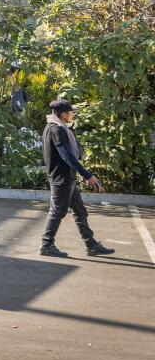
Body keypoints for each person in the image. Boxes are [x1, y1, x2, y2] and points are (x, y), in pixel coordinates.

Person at [40, 99, 113, 258]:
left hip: (68, 178)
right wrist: (87, 175)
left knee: (80, 211)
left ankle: (91, 244)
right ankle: (46, 244)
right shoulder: (56, 130)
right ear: (64, 114)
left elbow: (75, 151)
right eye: (71, 112)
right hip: (61, 178)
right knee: (57, 211)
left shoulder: (59, 128)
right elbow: (67, 156)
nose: (73, 115)